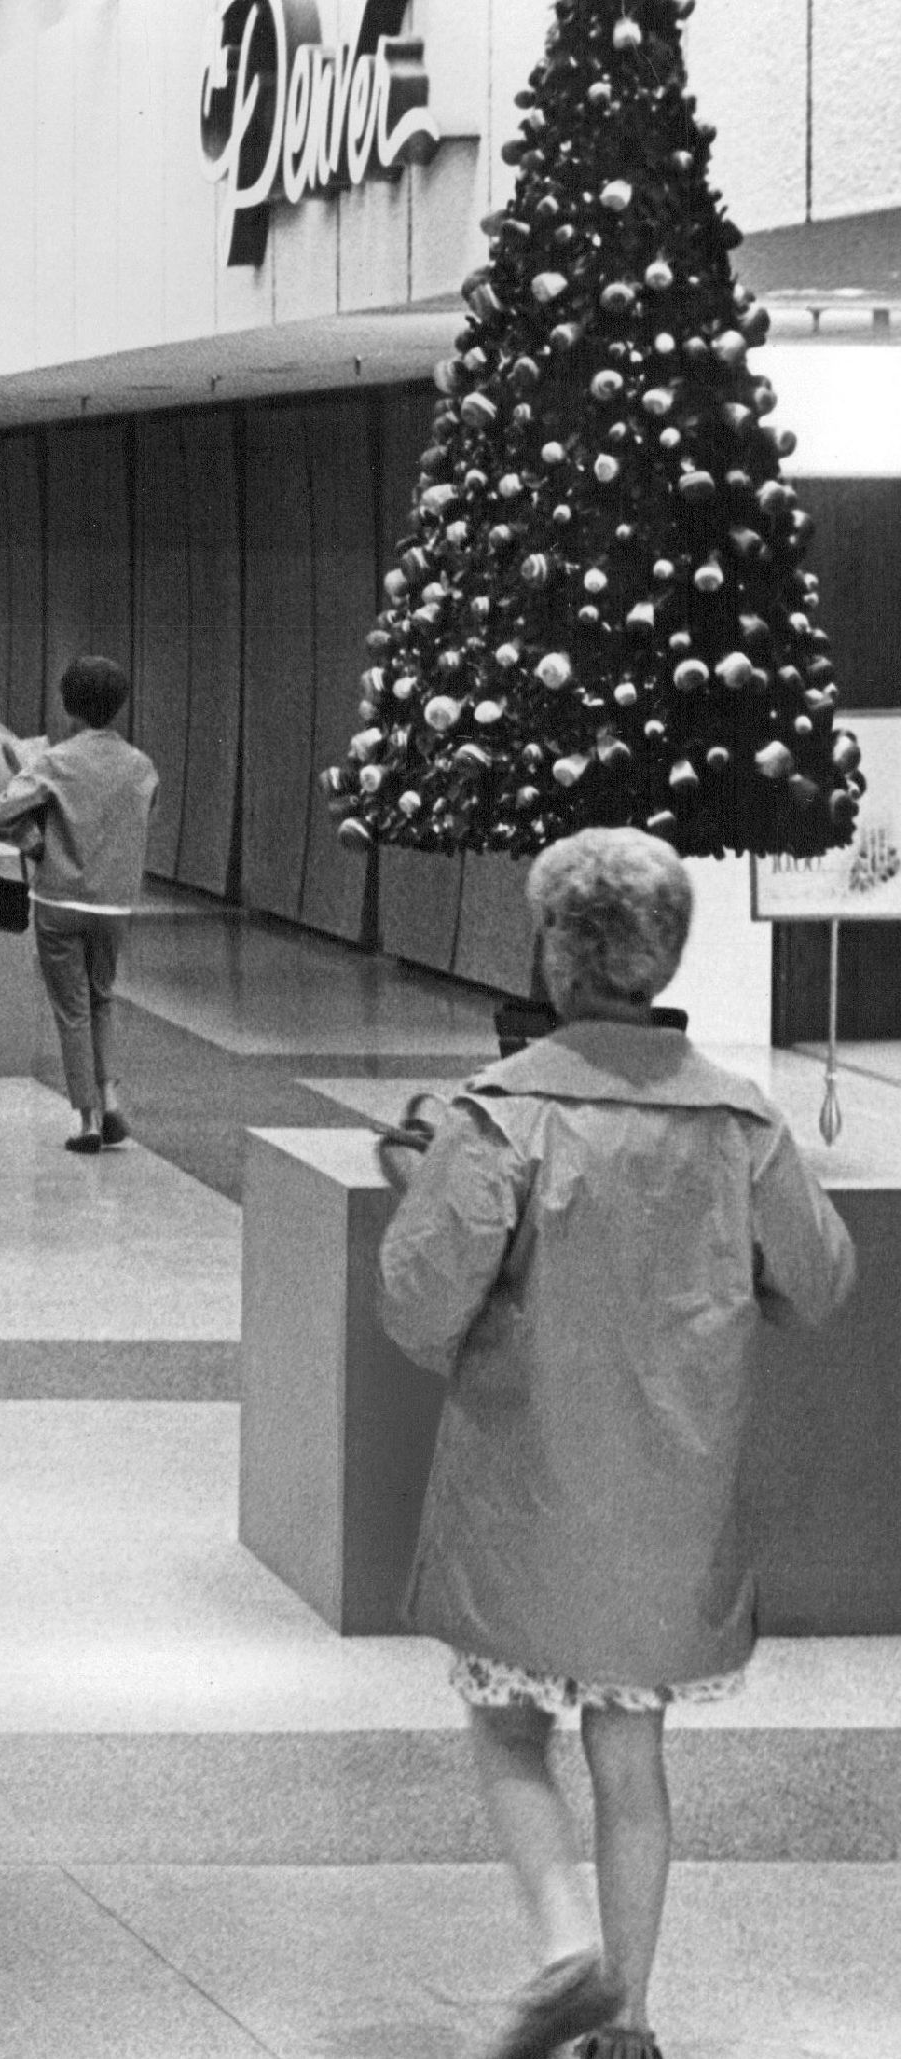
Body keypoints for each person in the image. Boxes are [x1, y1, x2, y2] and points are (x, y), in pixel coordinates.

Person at [379, 828, 853, 2059]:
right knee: (632, 1755)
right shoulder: (743, 1120)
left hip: (522, 1494)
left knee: (507, 1729)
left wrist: (415, 1178)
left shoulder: (501, 1117)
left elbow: (420, 1303)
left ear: (553, 951)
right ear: (665, 953)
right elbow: (822, 1279)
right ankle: (631, 2019)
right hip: (672, 1501)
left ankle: (563, 1945)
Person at [0, 653, 159, 1153]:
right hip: (114, 904)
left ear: (67, 705)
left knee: (71, 1010)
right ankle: (112, 1099)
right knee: (102, 998)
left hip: (60, 899)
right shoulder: (141, 765)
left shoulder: (55, 761)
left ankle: (87, 1121)